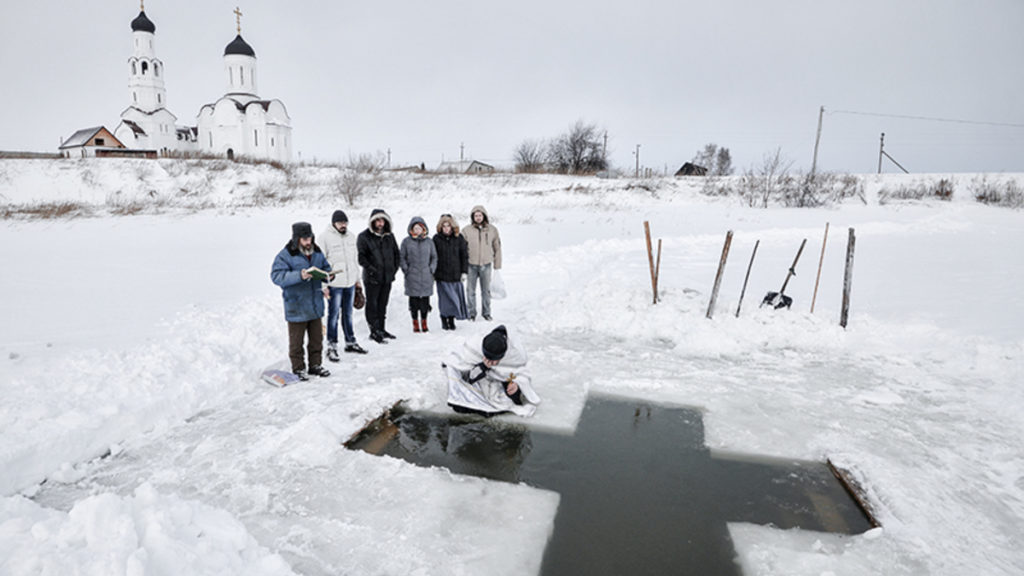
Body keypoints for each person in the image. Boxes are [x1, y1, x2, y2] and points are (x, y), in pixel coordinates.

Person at [270, 222, 332, 381]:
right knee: (296, 342)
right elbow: (277, 276)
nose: (308, 241)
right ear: (296, 239)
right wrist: (300, 275)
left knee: (317, 339)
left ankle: (315, 365)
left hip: (315, 304)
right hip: (296, 306)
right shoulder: (285, 255)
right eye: (304, 239)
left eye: (310, 238)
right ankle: (298, 369)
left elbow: (326, 268)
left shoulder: (317, 252)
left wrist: (329, 277)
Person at [443, 325, 540, 417]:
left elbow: (522, 373)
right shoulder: (474, 345)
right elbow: (465, 374)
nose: (492, 364)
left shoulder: (515, 354)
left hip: (501, 382)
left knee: (512, 398)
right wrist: (483, 366)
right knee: (460, 407)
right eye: (488, 359)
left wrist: (516, 385)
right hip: (480, 379)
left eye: (494, 361)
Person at [320, 210, 367, 361]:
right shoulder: (324, 238)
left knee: (348, 314)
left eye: (345, 222)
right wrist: (323, 285)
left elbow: (354, 261)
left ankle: (350, 342)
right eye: (340, 222)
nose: (343, 225)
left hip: (350, 283)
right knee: (333, 315)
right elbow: (320, 263)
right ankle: (331, 345)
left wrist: (357, 280)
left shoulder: (351, 237)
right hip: (334, 284)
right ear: (334, 223)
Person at [357, 208, 401, 344]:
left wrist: (393, 269)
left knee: (383, 304)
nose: (380, 223)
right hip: (372, 278)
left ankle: (382, 328)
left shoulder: (389, 236)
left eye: (382, 220)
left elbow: (396, 254)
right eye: (377, 221)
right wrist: (371, 270)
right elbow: (361, 258)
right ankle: (374, 331)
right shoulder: (364, 237)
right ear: (372, 222)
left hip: (387, 277)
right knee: (372, 305)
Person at [400, 216, 438, 333]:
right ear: (411, 229)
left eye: (419, 228)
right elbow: (402, 257)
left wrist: (431, 269)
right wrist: (406, 269)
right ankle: (415, 323)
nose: (417, 230)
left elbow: (434, 257)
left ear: (423, 229)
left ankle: (424, 322)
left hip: (426, 275)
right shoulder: (406, 242)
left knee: (425, 301)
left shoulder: (429, 241)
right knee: (414, 301)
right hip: (412, 275)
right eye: (415, 228)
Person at [464, 205, 502, 321]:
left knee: (486, 291)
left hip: (486, 264)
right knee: (470, 291)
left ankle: (486, 313)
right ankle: (471, 313)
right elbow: (461, 249)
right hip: (471, 265)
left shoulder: (492, 230)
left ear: (484, 216)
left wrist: (497, 265)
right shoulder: (466, 230)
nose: (478, 217)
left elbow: (497, 248)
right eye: (476, 215)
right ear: (473, 217)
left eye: (480, 215)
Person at [433, 214, 469, 330]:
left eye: (448, 226)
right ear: (441, 227)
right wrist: (433, 272)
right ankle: (444, 319)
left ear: (453, 226)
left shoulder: (459, 238)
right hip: (442, 275)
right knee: (444, 301)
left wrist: (464, 271)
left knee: (454, 299)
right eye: (444, 226)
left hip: (455, 274)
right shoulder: (436, 239)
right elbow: (433, 256)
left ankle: (452, 319)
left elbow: (464, 256)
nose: (446, 228)